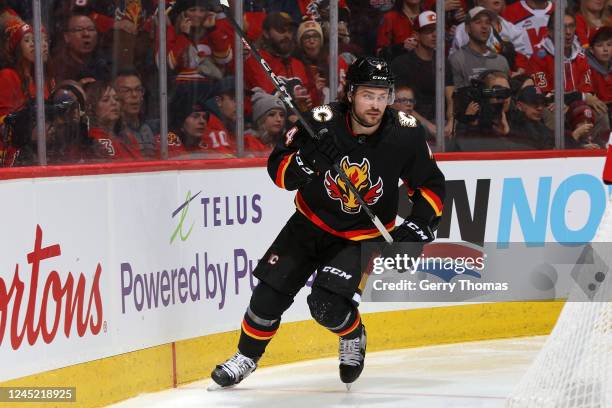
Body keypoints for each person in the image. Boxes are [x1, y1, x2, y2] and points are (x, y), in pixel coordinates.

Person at [210, 56, 445, 388]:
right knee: (268, 296)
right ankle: (246, 357)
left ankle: (352, 334)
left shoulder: (405, 133)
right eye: (367, 95)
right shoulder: (320, 123)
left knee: (327, 306)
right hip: (309, 223)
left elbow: (430, 185)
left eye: (382, 95)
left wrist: (418, 226)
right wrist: (307, 162)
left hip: (360, 237)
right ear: (350, 93)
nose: (376, 104)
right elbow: (279, 171)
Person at [390, 11, 456, 137]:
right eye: (429, 31)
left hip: (440, 122)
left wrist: (451, 122)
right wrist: (429, 126)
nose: (435, 35)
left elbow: (451, 97)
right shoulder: (401, 63)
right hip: (409, 123)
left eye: (438, 30)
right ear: (416, 35)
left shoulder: (443, 62)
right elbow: (399, 104)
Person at [0, 21, 52, 167]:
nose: (39, 45)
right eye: (28, 40)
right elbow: (4, 125)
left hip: (39, 151)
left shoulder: (46, 80)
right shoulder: (7, 76)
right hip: (11, 156)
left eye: (44, 40)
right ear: (17, 48)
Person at [244, 11, 313, 112]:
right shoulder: (256, 61)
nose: (287, 35)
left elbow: (309, 99)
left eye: (289, 31)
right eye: (281, 30)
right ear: (266, 33)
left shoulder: (298, 64)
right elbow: (269, 98)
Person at [451, 0, 533, 72]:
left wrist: (519, 71)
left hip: (509, 78)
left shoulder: (514, 30)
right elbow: (457, 62)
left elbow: (526, 58)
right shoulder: (463, 29)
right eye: (478, 22)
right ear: (479, 1)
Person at [448, 7, 510, 88]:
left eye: (487, 22)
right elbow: (456, 96)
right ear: (467, 28)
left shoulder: (501, 61)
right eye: (478, 22)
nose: (484, 26)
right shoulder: (457, 60)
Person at [85, 80, 143, 161]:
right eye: (105, 100)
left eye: (116, 99)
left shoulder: (127, 137)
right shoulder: (93, 141)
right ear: (92, 107)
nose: (114, 103)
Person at [295, 19, 349, 106]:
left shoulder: (335, 61)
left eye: (315, 36)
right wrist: (315, 89)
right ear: (300, 42)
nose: (312, 41)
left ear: (321, 40)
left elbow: (347, 88)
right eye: (306, 37)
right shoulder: (296, 66)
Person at [49, 13, 111, 83]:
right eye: (79, 30)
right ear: (67, 37)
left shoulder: (105, 64)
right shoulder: (57, 67)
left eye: (91, 29)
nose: (86, 34)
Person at [114, 69, 157, 159]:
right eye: (126, 91)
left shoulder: (153, 128)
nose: (134, 95)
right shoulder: (113, 132)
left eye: (138, 90)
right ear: (115, 96)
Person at [244, 87, 287, 153]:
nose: (279, 119)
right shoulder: (249, 141)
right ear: (260, 118)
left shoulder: (285, 142)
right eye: (272, 114)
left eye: (282, 115)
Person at [586, 27, 612, 108]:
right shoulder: (587, 70)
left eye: (609, 44)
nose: (605, 49)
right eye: (600, 45)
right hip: (600, 109)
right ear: (591, 50)